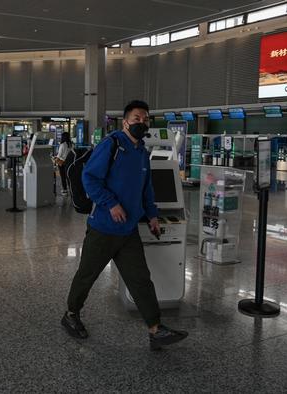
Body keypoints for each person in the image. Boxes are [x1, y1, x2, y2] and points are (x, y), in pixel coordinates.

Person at [61, 100, 188, 351]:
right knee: (87, 275)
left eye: (146, 119)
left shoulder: (141, 151)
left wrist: (151, 215)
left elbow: (146, 188)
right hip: (103, 228)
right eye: (137, 118)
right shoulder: (112, 144)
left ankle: (155, 329)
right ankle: (71, 314)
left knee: (140, 279)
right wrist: (111, 203)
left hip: (128, 230)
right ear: (126, 121)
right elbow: (90, 178)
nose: (142, 122)